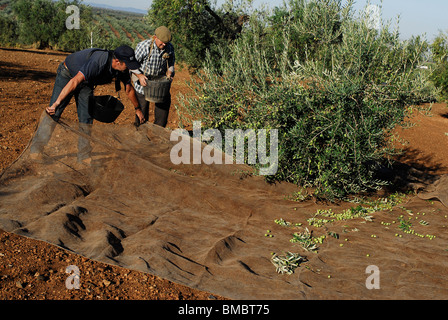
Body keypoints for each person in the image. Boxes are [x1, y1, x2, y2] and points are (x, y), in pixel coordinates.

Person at [30, 45, 145, 164]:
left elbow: (129, 89)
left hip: (86, 82)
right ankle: (36, 150)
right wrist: (56, 103)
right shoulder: (98, 62)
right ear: (117, 61)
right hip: (68, 74)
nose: (129, 68)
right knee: (54, 112)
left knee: (86, 117)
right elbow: (74, 82)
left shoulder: (122, 69)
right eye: (127, 64)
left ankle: (84, 156)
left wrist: (138, 109)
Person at [132, 26, 175, 128]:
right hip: (143, 84)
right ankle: (140, 138)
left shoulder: (169, 47)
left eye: (166, 43)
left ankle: (157, 136)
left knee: (162, 114)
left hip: (160, 84)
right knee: (141, 115)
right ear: (155, 37)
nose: (164, 45)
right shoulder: (144, 47)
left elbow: (172, 62)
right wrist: (140, 76)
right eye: (162, 42)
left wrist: (170, 71)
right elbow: (132, 65)